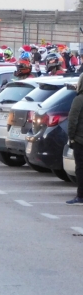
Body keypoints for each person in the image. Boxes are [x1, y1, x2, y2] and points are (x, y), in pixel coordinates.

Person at [66, 74, 83, 205]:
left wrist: (71, 137)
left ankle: (81, 195)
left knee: (80, 168)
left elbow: (72, 120)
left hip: (80, 140)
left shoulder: (79, 99)